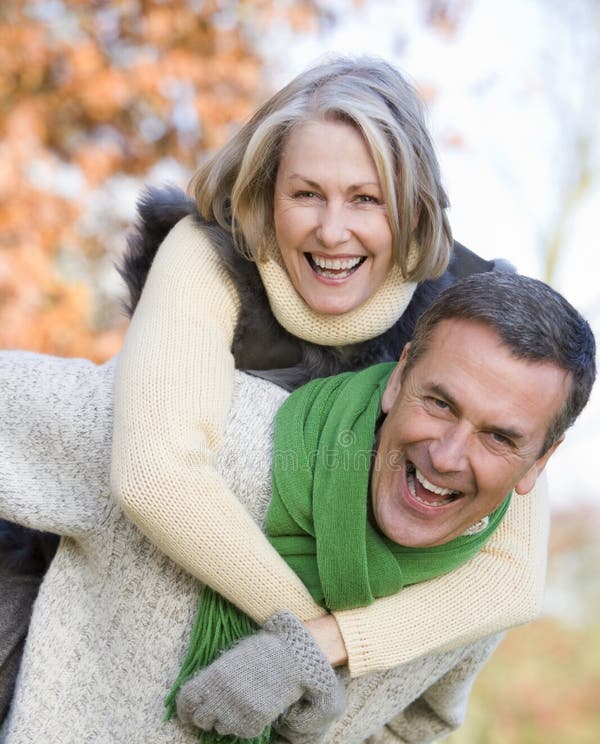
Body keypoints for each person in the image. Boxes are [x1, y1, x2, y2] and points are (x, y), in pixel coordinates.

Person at [0, 272, 594, 744]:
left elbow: (413, 720)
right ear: (398, 379)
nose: (447, 455)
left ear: (541, 462)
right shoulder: (210, 436)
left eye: (500, 437)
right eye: (439, 403)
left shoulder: (473, 596)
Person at [111, 55, 548, 681]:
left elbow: (513, 576)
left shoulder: (471, 308)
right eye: (306, 194)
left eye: (366, 199)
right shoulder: (204, 255)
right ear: (266, 194)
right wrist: (302, 639)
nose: (333, 230)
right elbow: (155, 475)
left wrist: (335, 644)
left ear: (415, 212)